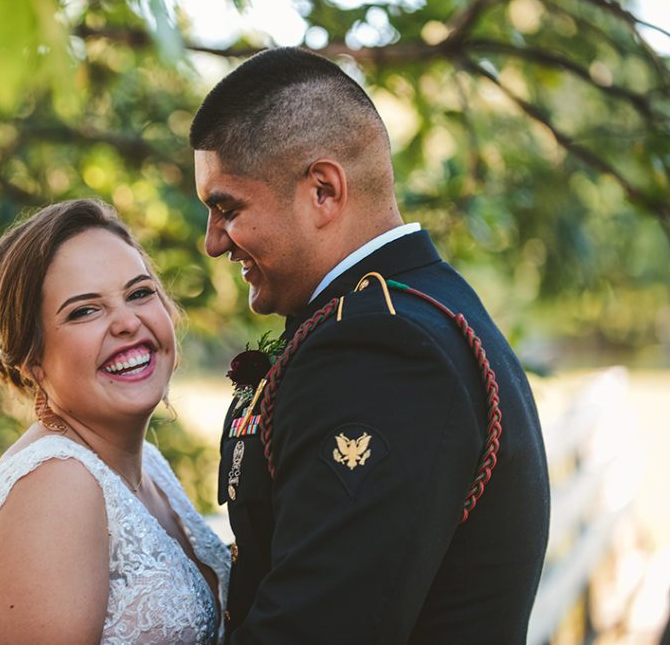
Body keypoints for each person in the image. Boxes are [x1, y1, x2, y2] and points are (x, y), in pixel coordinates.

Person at [190, 47, 550, 643]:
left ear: (324, 191)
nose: (212, 242)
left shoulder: (378, 347)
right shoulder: (425, 302)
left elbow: (315, 628)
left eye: (227, 208)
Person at [0, 199, 230, 644]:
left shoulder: (150, 468)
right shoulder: (54, 486)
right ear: (32, 360)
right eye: (84, 310)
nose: (127, 322)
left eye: (140, 293)